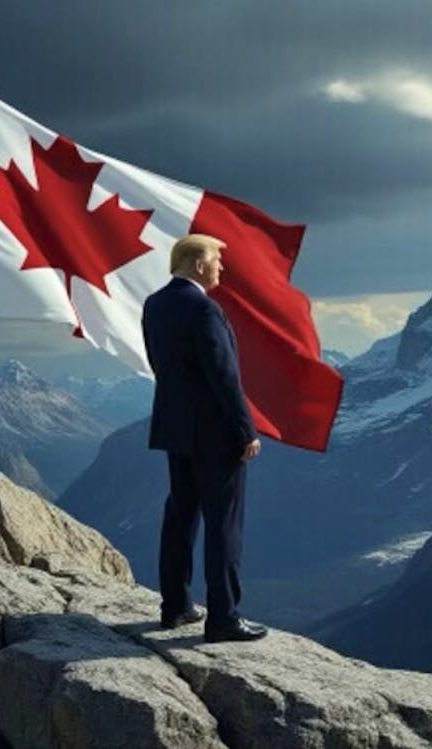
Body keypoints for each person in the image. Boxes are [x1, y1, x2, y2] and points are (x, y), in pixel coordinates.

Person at [141, 233, 268, 643]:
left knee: (180, 516)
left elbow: (158, 364)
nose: (221, 268)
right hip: (214, 434)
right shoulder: (205, 310)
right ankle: (223, 618)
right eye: (217, 260)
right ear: (198, 264)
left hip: (174, 428)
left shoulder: (154, 304)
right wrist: (244, 428)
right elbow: (223, 375)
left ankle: (175, 607)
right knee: (223, 524)